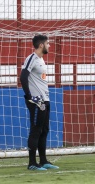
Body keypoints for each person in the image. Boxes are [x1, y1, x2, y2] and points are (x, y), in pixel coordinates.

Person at [20, 34, 59, 171]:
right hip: (37, 101)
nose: (49, 46)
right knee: (36, 130)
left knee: (44, 130)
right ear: (41, 45)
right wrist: (29, 96)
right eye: (48, 43)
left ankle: (43, 160)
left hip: (45, 100)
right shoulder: (32, 59)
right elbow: (23, 77)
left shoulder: (41, 60)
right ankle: (32, 163)